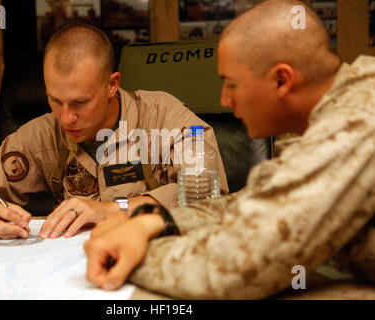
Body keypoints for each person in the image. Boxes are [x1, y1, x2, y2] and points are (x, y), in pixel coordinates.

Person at [84, 0, 375, 299]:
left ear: (281, 79)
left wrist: (130, 251)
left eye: (231, 85)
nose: (224, 100)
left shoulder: (358, 119)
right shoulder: (328, 112)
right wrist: (155, 222)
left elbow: (239, 267)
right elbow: (261, 203)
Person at [0, 23, 228, 240]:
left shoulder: (164, 116)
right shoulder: (45, 132)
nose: (66, 118)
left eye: (80, 102)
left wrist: (112, 209)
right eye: (55, 100)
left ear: (112, 84)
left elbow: (208, 196)